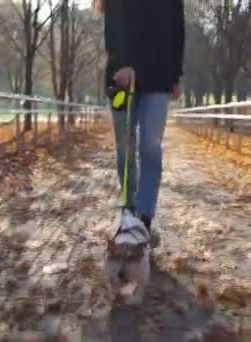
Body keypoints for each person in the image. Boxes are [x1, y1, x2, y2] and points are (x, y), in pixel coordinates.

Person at [94, 0, 185, 244]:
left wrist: (176, 74)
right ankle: (128, 209)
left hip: (159, 76)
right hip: (122, 76)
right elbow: (113, 22)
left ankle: (144, 219)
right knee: (125, 147)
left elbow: (177, 27)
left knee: (150, 147)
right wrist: (122, 62)